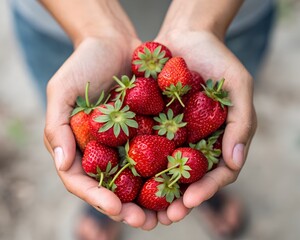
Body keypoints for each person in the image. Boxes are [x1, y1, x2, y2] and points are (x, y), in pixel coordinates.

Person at [9, 0, 276, 239]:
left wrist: (200, 26)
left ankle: (196, 186)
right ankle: (106, 203)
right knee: (76, 127)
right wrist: (96, 29)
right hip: (62, 17)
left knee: (215, 150)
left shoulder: (165, 110)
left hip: (226, 13)